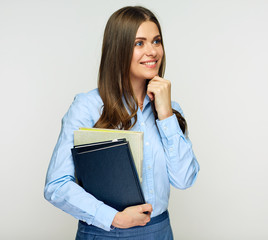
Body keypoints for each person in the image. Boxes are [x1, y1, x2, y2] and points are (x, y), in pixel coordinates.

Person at [44, 6, 200, 239]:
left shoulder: (170, 109)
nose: (152, 51)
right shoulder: (87, 107)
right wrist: (113, 218)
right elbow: (55, 185)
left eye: (156, 41)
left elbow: (184, 179)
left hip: (159, 231)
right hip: (104, 232)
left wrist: (166, 114)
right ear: (118, 49)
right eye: (139, 43)